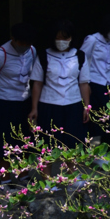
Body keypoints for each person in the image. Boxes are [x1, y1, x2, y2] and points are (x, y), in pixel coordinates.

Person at [28, 20, 91, 189]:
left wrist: (87, 106)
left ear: (71, 38)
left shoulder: (80, 56)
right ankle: (46, 181)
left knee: (72, 143)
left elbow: (84, 83)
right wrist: (34, 108)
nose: (61, 41)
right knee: (47, 143)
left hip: (73, 104)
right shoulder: (43, 56)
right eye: (57, 38)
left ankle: (73, 178)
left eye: (65, 37)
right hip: (48, 104)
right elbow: (37, 83)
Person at [0, 23, 37, 183]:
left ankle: (24, 174)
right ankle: (5, 178)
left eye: (27, 43)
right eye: (21, 42)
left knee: (24, 141)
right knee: (3, 144)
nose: (24, 46)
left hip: (23, 101)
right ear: (13, 39)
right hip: (1, 103)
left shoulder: (32, 50)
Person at [81, 14, 110, 146]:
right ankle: (85, 149)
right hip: (94, 83)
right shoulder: (92, 40)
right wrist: (84, 82)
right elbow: (82, 60)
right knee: (91, 117)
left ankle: (107, 149)